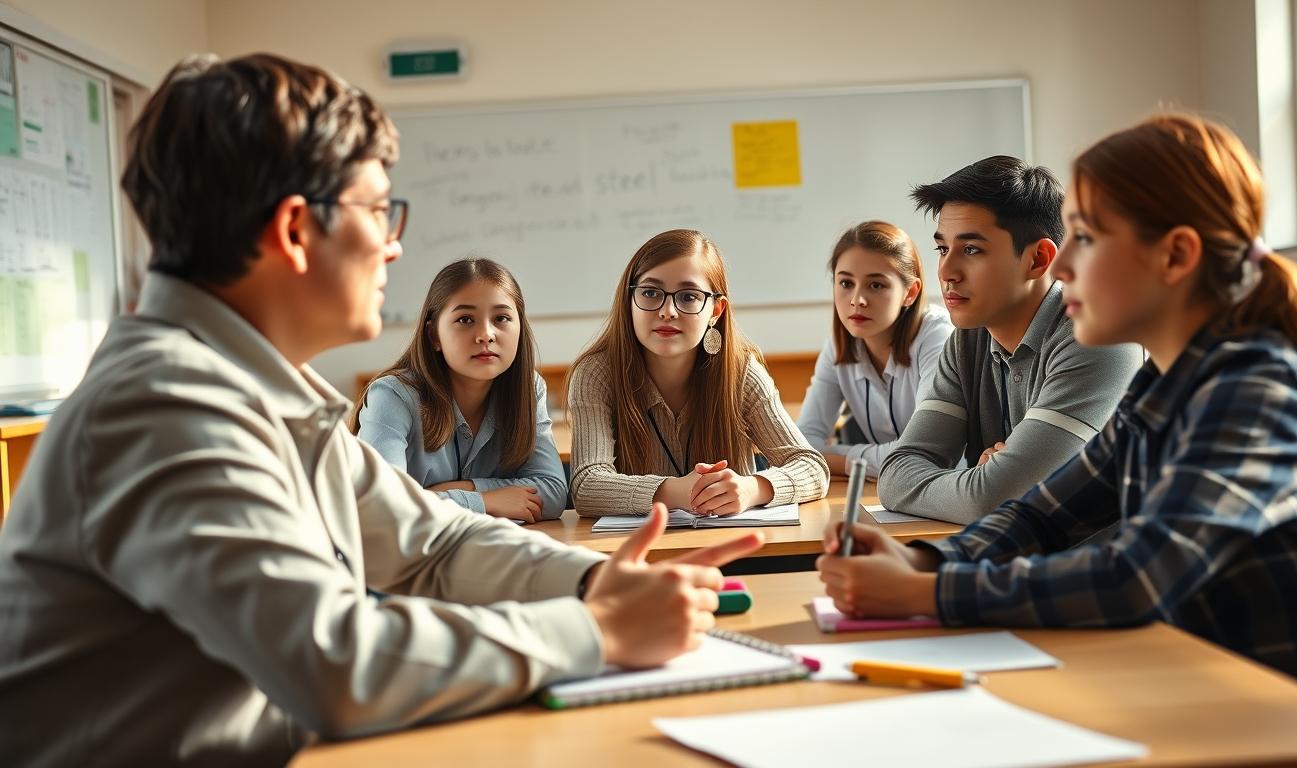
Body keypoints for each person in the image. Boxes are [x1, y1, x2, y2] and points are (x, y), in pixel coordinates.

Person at [0, 53, 762, 766]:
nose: (394, 247)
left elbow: (434, 543)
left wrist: (594, 586)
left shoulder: (259, 387)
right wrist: (593, 630)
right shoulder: (164, 404)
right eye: (379, 211)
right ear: (296, 230)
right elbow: (331, 660)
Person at [818, 114, 1297, 695]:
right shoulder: (1164, 387)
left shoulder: (1256, 388)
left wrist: (923, 593)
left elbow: (1138, 575)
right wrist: (922, 563)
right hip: (1195, 681)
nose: (1064, 268)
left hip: (1287, 710)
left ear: (1175, 256)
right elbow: (1042, 514)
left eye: (1086, 240)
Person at [877, 155, 1142, 523]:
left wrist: (990, 486)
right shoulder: (967, 340)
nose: (946, 271)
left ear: (1038, 259)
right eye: (942, 248)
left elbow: (992, 500)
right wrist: (981, 482)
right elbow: (894, 476)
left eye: (971, 249)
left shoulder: (1099, 336)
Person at [568, 228, 829, 517]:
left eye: (689, 297)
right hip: (640, 553)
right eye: (651, 292)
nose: (668, 311)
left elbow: (812, 466)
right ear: (629, 301)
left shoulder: (740, 372)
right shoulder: (596, 374)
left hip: (736, 549)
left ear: (716, 310)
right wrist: (677, 491)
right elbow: (586, 486)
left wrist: (752, 489)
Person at [355, 258, 566, 522]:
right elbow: (381, 504)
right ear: (434, 336)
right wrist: (484, 501)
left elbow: (554, 493)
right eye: (465, 319)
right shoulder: (392, 395)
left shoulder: (528, 388)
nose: (486, 334)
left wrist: (458, 490)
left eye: (501, 318)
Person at [796, 220, 953, 478]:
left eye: (876, 285)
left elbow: (923, 452)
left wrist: (839, 460)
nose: (857, 299)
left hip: (946, 491)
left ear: (910, 293)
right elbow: (802, 443)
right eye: (846, 283)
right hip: (881, 493)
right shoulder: (839, 345)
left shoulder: (937, 335)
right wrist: (862, 461)